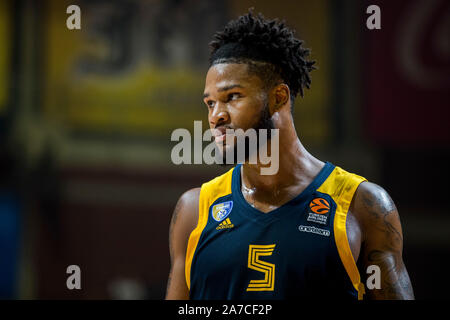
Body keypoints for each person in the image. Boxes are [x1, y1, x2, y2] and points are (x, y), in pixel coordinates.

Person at [165, 10, 414, 300]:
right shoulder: (195, 210)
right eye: (210, 103)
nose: (216, 116)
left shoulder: (362, 205)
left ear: (279, 97)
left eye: (232, 97)